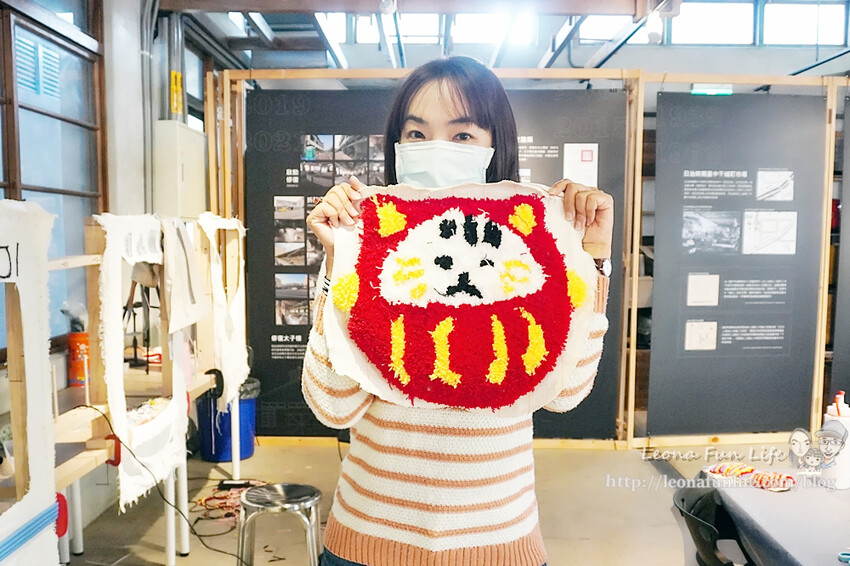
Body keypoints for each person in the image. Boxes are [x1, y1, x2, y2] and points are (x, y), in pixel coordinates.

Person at [303, 56, 613, 566]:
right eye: (416, 134)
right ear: (397, 145)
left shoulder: (531, 247)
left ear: (495, 146)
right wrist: (341, 263)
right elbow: (331, 406)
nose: (436, 148)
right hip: (369, 539)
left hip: (499, 541)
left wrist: (591, 257)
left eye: (463, 135)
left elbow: (567, 394)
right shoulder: (364, 245)